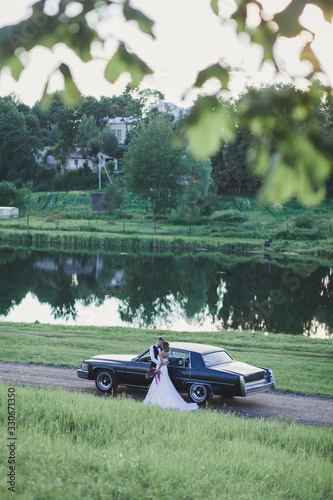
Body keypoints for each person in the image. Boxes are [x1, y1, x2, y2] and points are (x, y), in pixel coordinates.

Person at [144, 341, 198, 411]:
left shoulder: (161, 353)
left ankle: (158, 399)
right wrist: (165, 362)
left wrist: (157, 370)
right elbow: (167, 361)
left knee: (160, 383)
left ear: (163, 346)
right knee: (165, 382)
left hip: (161, 368)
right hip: (165, 369)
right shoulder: (167, 352)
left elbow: (160, 363)